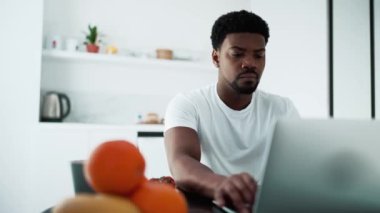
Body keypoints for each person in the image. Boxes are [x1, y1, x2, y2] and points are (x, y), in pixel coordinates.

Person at [164, 10, 299, 213]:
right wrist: (221, 184)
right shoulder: (188, 103)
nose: (250, 63)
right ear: (216, 57)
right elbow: (181, 161)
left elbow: (298, 168)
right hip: (212, 206)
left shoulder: (283, 108)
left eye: (259, 55)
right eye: (237, 54)